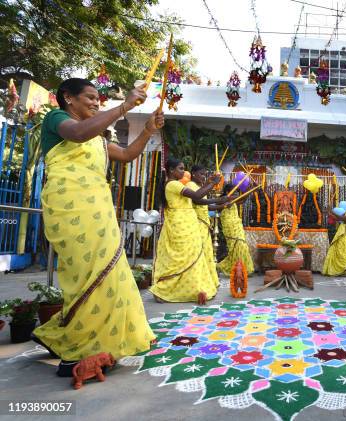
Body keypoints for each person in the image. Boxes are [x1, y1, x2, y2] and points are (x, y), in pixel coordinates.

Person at [32, 78, 161, 376]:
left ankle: (93, 342)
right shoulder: (58, 120)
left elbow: (128, 156)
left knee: (109, 273)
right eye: (89, 97)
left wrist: (149, 130)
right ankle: (75, 352)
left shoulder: (98, 139)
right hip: (69, 207)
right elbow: (76, 134)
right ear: (68, 98)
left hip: (99, 211)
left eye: (97, 99)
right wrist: (125, 106)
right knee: (83, 273)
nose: (95, 102)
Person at [150, 158, 218, 304]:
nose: (183, 171)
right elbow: (197, 196)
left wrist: (208, 183)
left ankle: (191, 288)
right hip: (180, 225)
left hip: (188, 224)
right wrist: (212, 183)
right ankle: (163, 290)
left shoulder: (177, 184)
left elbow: (197, 195)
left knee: (191, 256)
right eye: (180, 168)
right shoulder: (173, 184)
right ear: (171, 170)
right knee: (181, 259)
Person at [186, 165, 228, 291]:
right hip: (197, 224)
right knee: (199, 253)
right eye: (201, 174)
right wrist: (213, 187)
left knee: (206, 253)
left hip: (204, 224)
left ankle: (207, 280)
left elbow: (206, 207)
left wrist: (223, 205)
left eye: (204, 175)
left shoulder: (199, 187)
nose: (203, 177)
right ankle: (197, 282)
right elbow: (197, 201)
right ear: (193, 174)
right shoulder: (190, 186)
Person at [217, 183, 255, 276]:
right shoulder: (222, 199)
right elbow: (218, 208)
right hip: (229, 227)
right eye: (234, 192)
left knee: (242, 245)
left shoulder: (233, 200)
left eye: (237, 192)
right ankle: (236, 269)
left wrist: (250, 191)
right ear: (227, 192)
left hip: (237, 225)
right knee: (236, 246)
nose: (236, 194)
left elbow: (242, 200)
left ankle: (243, 269)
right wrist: (224, 205)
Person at [322, 201, 346, 276]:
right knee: (336, 249)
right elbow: (338, 219)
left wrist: (332, 211)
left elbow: (342, 218)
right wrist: (329, 213)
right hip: (342, 231)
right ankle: (337, 269)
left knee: (341, 252)